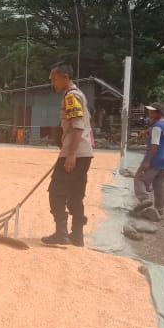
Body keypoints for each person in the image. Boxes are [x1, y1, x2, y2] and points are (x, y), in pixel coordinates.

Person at [41, 63, 94, 247]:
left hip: (75, 153)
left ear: (65, 77)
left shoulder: (71, 96)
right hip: (84, 153)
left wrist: (70, 155)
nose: (53, 83)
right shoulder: (77, 94)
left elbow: (77, 127)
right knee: (75, 194)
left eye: (54, 79)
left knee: (56, 192)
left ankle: (61, 233)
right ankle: (77, 235)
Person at [133, 103, 164, 222]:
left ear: (158, 113)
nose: (149, 114)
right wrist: (147, 135)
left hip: (154, 159)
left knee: (139, 179)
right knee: (160, 186)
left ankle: (144, 199)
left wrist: (147, 161)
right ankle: (159, 210)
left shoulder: (157, 127)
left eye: (152, 112)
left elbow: (154, 145)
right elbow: (160, 140)